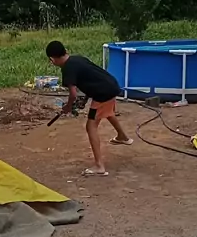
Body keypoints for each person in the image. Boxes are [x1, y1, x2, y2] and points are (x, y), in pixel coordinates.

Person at [46, 41, 133, 176]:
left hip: (102, 94)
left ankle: (99, 166)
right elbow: (91, 78)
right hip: (111, 85)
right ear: (65, 51)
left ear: (52, 59)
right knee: (107, 112)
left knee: (90, 126)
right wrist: (85, 99)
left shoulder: (67, 69)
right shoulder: (78, 59)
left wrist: (68, 107)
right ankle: (123, 137)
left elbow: (73, 94)